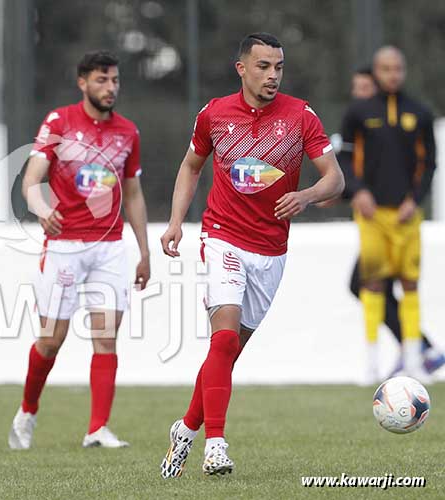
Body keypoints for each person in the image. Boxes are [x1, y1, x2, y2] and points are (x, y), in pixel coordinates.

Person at [158, 33, 344, 478]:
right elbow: (191, 166)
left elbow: (334, 179)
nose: (272, 75)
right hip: (222, 236)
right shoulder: (214, 114)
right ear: (241, 69)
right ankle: (215, 446)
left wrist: (306, 195)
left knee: (227, 354)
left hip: (271, 251)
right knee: (222, 340)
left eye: (278, 67)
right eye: (263, 66)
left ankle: (185, 429)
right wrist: (175, 221)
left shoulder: (300, 116)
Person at [8, 51, 150, 450]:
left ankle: (97, 429)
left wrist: (144, 251)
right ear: (82, 83)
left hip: (109, 247)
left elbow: (133, 194)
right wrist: (41, 210)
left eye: (115, 80)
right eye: (102, 80)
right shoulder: (59, 122)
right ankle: (28, 410)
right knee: (51, 340)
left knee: (106, 337)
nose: (111, 88)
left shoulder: (128, 132)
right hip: (65, 246)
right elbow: (31, 181)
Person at [338, 46, 437, 384]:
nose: (392, 74)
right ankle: (371, 364)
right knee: (372, 284)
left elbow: (429, 164)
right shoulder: (358, 112)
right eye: (385, 68)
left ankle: (414, 361)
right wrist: (358, 191)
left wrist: (416, 200)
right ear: (376, 72)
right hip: (372, 215)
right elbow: (345, 159)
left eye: (397, 68)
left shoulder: (419, 112)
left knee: (410, 283)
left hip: (407, 215)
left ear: (404, 71)